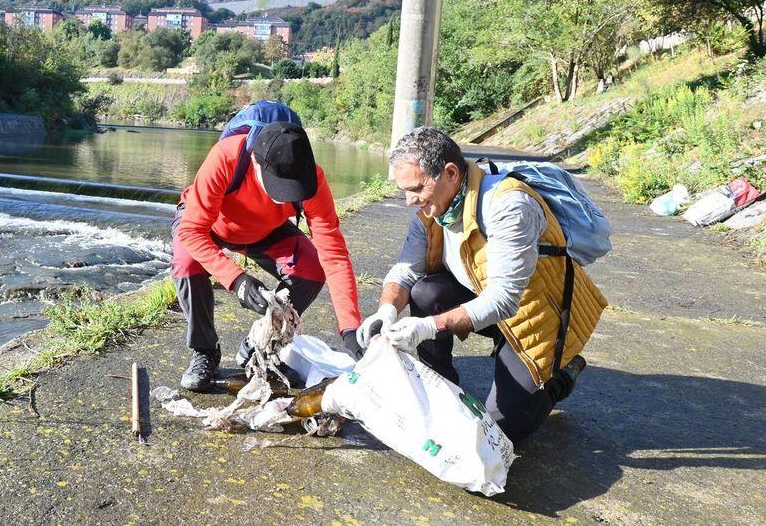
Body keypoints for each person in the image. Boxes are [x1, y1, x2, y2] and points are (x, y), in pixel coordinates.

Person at [361, 126, 607, 443]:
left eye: (416, 188)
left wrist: (427, 327)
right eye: (404, 190)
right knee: (426, 291)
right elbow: (406, 269)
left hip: (534, 317)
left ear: (450, 173)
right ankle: (444, 393)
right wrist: (386, 311)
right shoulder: (431, 209)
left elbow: (504, 300)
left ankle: (563, 373)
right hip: (482, 301)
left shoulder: (510, 206)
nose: (409, 200)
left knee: (501, 433)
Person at [172, 121, 362, 391]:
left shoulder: (312, 179)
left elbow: (333, 253)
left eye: (291, 188)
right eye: (278, 186)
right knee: (186, 262)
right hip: (208, 224)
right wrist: (237, 280)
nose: (285, 195)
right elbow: (192, 231)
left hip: (265, 230)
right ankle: (205, 350)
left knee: (311, 267)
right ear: (256, 162)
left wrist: (350, 328)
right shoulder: (226, 157)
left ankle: (260, 345)